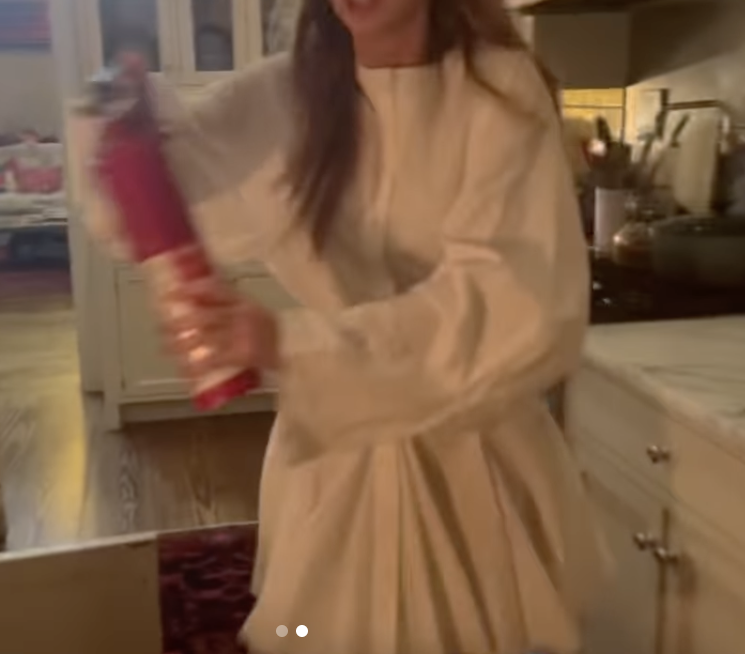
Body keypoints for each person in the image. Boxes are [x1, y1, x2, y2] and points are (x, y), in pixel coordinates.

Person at [85, 0, 605, 651]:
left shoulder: (496, 90)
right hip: (337, 468)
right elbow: (138, 203)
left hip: (476, 472)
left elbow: (515, 303)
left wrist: (288, 342)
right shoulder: (283, 96)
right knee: (314, 633)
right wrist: (118, 118)